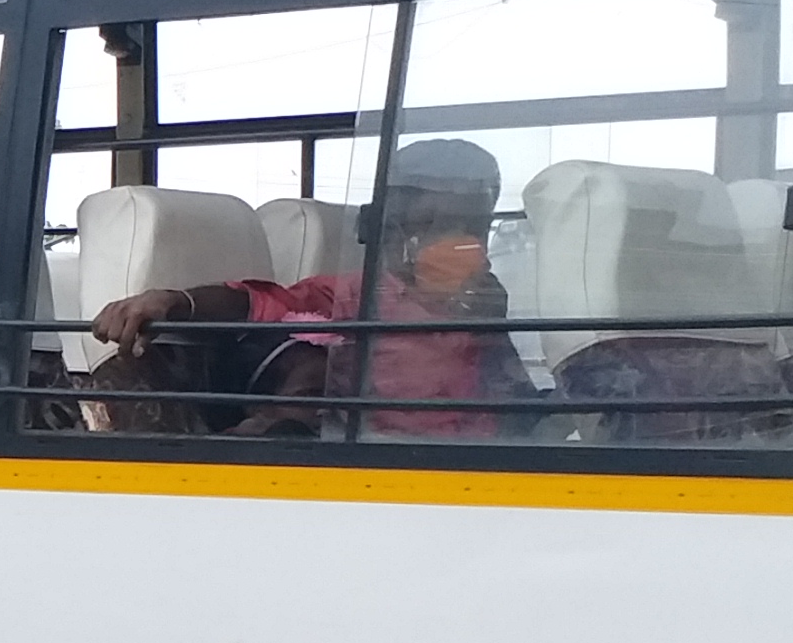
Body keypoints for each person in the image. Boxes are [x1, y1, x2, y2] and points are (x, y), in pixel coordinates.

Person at [89, 138, 518, 439]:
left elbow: (518, 407)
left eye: (473, 225)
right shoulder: (354, 300)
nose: (461, 242)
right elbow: (256, 303)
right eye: (438, 225)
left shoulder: (482, 311)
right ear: (391, 229)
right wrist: (170, 301)